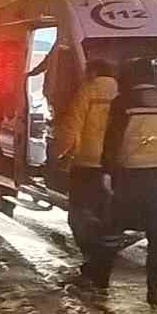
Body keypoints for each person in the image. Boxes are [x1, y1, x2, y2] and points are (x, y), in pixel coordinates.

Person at [102, 56, 157, 306]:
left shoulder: (123, 102)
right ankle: (155, 292)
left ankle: (101, 278)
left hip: (131, 173)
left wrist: (107, 170)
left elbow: (112, 138)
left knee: (113, 228)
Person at [51, 58, 119, 287]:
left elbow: (73, 126)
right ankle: (103, 267)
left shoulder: (88, 91)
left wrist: (60, 154)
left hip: (86, 163)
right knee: (106, 217)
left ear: (92, 72)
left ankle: (92, 259)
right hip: (112, 165)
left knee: (79, 215)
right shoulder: (122, 92)